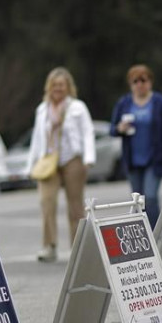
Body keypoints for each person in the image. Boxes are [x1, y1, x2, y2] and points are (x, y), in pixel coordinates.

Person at [26, 67, 96, 262]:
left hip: (72, 159)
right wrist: (31, 164)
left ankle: (78, 247)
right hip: (48, 161)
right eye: (54, 85)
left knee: (75, 206)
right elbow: (36, 138)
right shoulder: (42, 109)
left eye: (61, 85)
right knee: (46, 201)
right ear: (49, 87)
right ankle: (49, 246)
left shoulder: (77, 107)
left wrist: (88, 158)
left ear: (68, 87)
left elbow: (88, 132)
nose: (58, 88)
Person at [109, 64, 162, 228]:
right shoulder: (124, 103)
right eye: (135, 81)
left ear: (150, 82)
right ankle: (142, 235)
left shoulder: (160, 103)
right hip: (133, 161)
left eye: (143, 80)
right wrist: (120, 128)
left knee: (151, 197)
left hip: (154, 160)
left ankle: (156, 233)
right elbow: (112, 129)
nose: (140, 84)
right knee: (138, 201)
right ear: (130, 84)